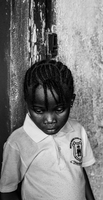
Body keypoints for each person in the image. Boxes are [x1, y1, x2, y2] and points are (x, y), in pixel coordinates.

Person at [0, 60, 96, 200]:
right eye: (39, 111)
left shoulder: (77, 131)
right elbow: (7, 191)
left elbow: (78, 171)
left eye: (59, 109)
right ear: (27, 103)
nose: (50, 120)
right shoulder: (17, 143)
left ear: (71, 101)